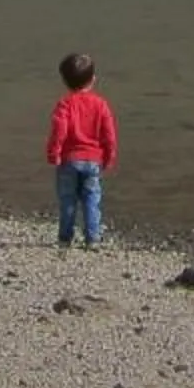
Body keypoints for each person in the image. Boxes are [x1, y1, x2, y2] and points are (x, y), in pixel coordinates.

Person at [46, 50, 117, 248]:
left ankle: (65, 238)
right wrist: (109, 156)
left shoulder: (65, 104)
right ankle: (92, 238)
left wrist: (54, 152)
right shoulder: (100, 105)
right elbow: (109, 134)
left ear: (65, 81)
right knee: (91, 199)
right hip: (94, 160)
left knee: (68, 200)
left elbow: (59, 131)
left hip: (69, 159)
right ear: (93, 79)